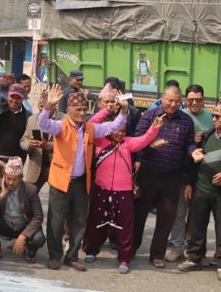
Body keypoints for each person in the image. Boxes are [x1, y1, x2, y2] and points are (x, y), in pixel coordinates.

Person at [39, 84, 129, 271]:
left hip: (81, 182)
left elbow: (114, 126)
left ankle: (72, 256)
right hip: (60, 182)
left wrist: (124, 110)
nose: (82, 112)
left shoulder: (90, 128)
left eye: (84, 109)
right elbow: (44, 124)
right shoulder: (60, 126)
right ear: (69, 110)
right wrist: (49, 106)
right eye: (77, 109)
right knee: (56, 221)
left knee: (80, 221)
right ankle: (55, 255)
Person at [82, 99, 166, 274]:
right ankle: (91, 250)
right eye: (117, 131)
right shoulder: (100, 141)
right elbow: (90, 124)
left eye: (123, 131)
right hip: (102, 188)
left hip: (124, 192)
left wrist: (155, 127)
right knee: (96, 221)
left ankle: (124, 259)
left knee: (125, 226)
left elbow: (145, 140)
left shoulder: (128, 144)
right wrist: (105, 111)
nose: (120, 134)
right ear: (111, 129)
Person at [132, 86, 200, 268]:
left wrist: (194, 152)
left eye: (177, 101)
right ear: (163, 98)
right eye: (170, 100)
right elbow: (136, 139)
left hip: (172, 177)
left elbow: (189, 144)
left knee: (166, 217)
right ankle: (130, 250)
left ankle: (157, 254)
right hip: (148, 173)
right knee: (139, 214)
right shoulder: (149, 116)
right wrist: (150, 142)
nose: (173, 104)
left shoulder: (186, 121)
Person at [178, 104, 221, 272]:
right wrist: (189, 183)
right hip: (201, 189)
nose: (214, 119)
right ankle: (194, 258)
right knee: (196, 226)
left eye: (218, 117)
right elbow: (194, 159)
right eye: (213, 116)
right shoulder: (207, 134)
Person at [167, 84, 213, 262]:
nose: (195, 103)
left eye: (199, 100)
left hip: (203, 173)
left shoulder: (210, 116)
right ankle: (177, 247)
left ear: (204, 100)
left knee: (199, 216)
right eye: (192, 99)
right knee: (180, 212)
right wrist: (191, 140)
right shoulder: (180, 116)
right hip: (182, 170)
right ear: (186, 100)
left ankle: (196, 251)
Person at [0, 157, 45, 263]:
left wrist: (23, 236)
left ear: (21, 178)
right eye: (8, 178)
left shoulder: (31, 190)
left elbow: (38, 216)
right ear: (4, 176)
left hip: (23, 226)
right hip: (6, 225)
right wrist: (2, 195)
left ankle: (29, 250)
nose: (10, 183)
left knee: (39, 239)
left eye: (14, 179)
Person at [20, 90, 61, 192]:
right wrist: (29, 144)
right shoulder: (32, 119)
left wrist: (47, 145)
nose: (42, 109)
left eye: (45, 106)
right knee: (28, 200)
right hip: (36, 168)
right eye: (40, 106)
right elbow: (23, 141)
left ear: (54, 106)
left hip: (57, 169)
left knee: (56, 203)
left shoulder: (64, 120)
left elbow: (69, 145)